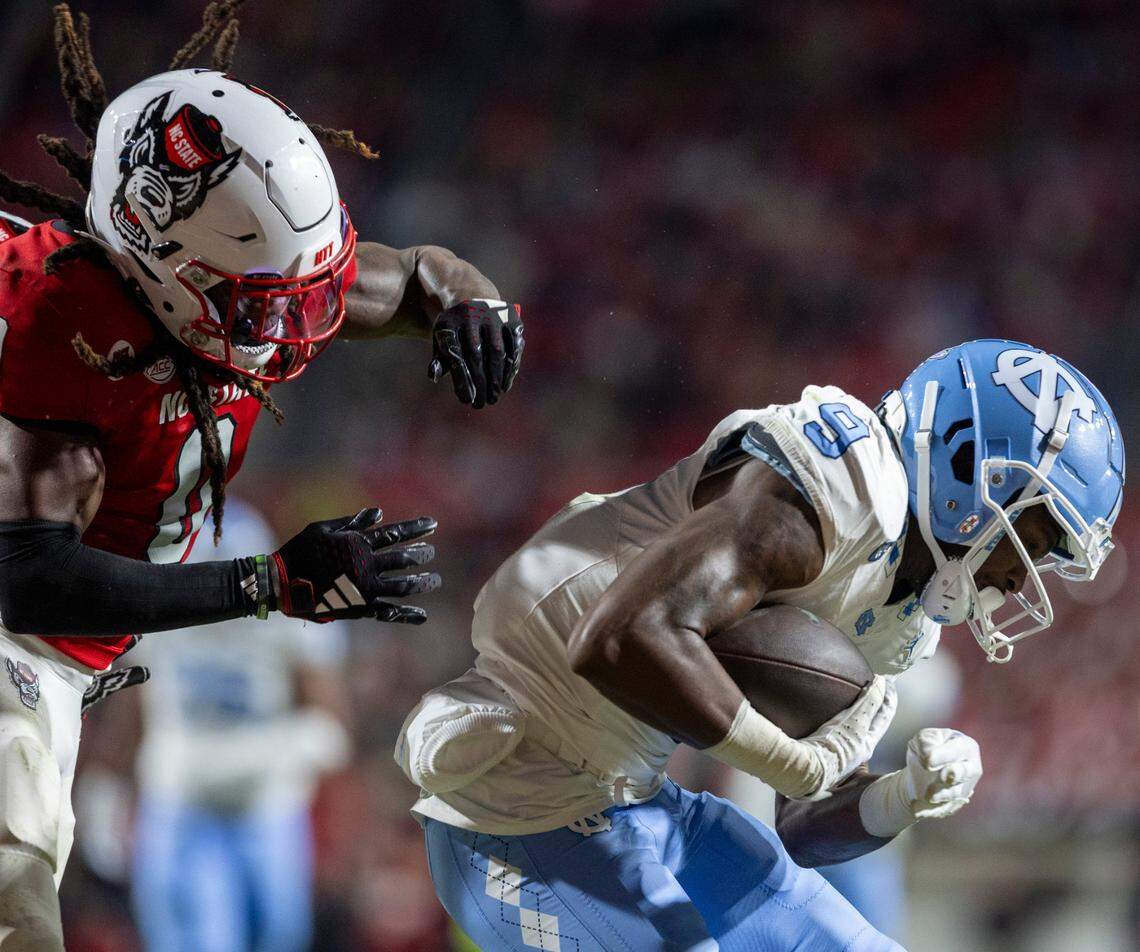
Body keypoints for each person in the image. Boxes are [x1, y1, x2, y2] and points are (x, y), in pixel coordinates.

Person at [0, 5, 523, 949]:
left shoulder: (210, 278)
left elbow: (407, 278)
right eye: (260, 306)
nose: (292, 331)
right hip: (21, 635)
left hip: (85, 639)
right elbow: (29, 584)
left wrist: (469, 297)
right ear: (154, 256)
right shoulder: (67, 329)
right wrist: (266, 585)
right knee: (16, 906)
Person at [396, 339, 1124, 951]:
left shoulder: (904, 610)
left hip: (640, 804)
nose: (1020, 574)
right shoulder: (838, 486)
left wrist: (901, 797)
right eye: (1030, 535)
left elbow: (803, 828)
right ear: (968, 470)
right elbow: (619, 638)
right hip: (511, 808)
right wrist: (797, 762)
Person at [126, 499, 351, 952]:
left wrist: (311, 742)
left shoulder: (293, 611)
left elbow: (328, 709)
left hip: (266, 803)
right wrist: (108, 779)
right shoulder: (160, 607)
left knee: (276, 938)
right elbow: (135, 700)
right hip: (181, 800)